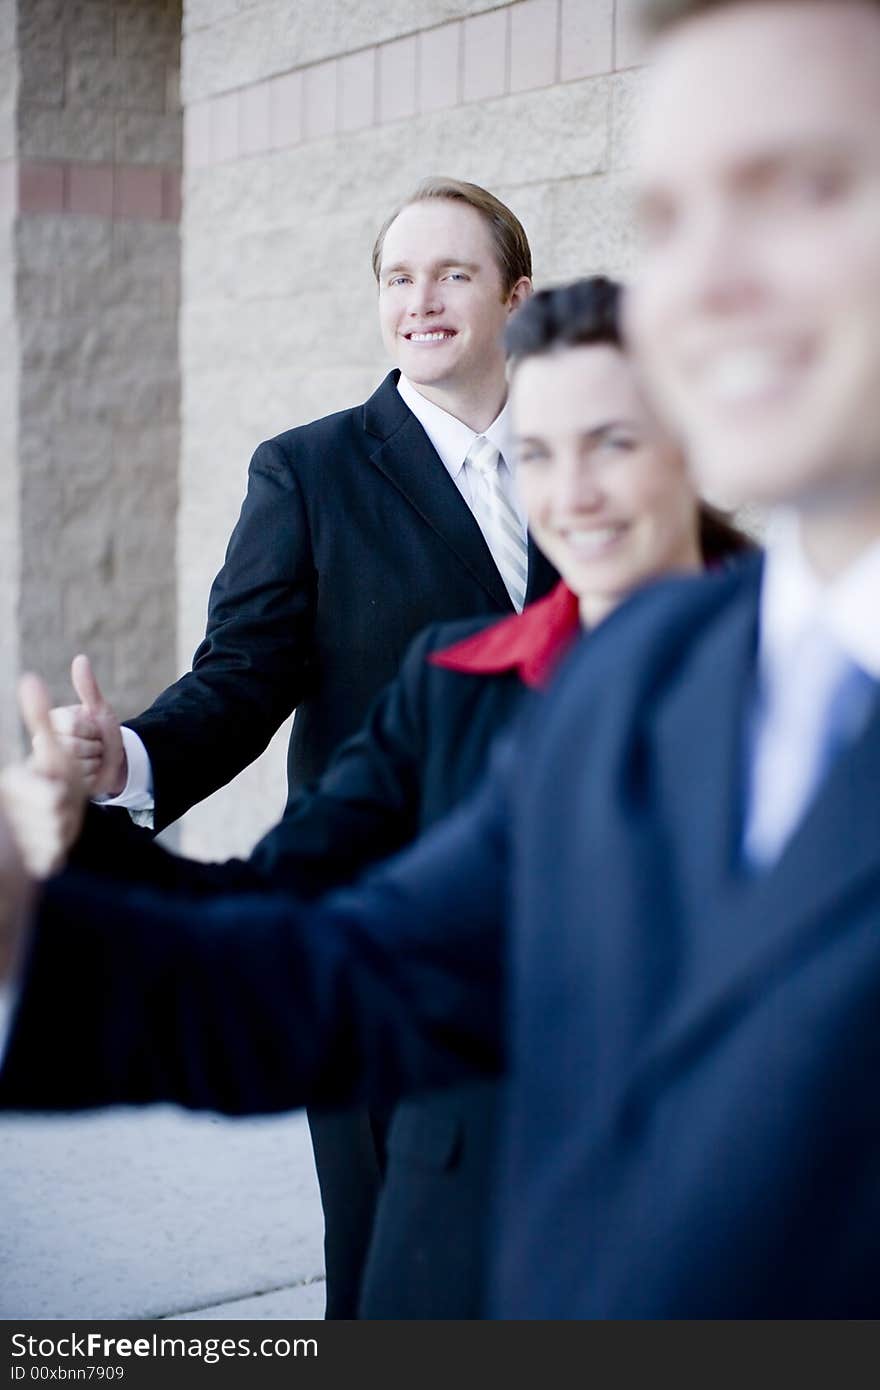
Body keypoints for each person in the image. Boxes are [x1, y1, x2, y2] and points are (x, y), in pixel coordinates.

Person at [3, 0, 880, 1317]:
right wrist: (32, 913)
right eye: (670, 218)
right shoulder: (640, 678)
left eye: (804, 185)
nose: (705, 282)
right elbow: (348, 951)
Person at [1, 276, 752, 1317]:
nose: (570, 491)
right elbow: (278, 916)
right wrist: (51, 870)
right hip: (457, 1228)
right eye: (536, 453)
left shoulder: (817, 680)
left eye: (612, 443)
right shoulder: (454, 682)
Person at [41, 176, 556, 1320]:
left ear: (515, 295)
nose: (419, 300)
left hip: (575, 937)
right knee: (389, 1280)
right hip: (385, 937)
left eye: (453, 273)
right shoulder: (311, 470)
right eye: (397, 277)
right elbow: (243, 676)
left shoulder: (589, 461)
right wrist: (124, 757)